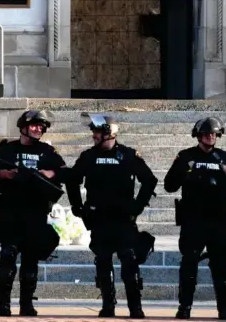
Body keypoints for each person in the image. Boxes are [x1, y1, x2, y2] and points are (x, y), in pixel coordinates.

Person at [65, 113, 157, 319]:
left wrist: (137, 206)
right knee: (103, 261)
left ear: (108, 133)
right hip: (99, 219)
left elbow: (150, 180)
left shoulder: (129, 155)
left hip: (123, 219)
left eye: (97, 132)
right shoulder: (88, 157)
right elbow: (72, 180)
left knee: (129, 260)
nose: (93, 136)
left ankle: (135, 307)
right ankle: (108, 305)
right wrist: (77, 207)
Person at [0, 110, 66, 317]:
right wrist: (2, 174)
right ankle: (3, 304)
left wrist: (51, 173)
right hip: (10, 213)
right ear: (23, 127)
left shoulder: (47, 152)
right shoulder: (7, 150)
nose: (38, 129)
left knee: (30, 261)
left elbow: (69, 173)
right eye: (34, 125)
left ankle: (27, 304)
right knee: (8, 256)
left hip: (35, 214)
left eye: (41, 127)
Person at [163, 117, 226, 320]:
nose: (211, 136)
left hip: (219, 221)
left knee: (220, 265)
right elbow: (169, 185)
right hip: (194, 221)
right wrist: (183, 171)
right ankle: (185, 308)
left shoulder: (224, 157)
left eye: (214, 134)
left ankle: (225, 308)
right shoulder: (185, 156)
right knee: (189, 262)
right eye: (207, 133)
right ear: (198, 135)